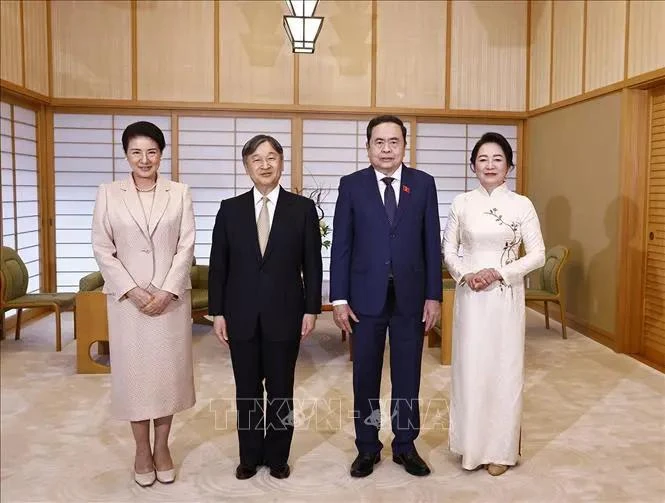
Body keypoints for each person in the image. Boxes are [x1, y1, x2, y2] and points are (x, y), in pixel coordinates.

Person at [329, 115, 442, 478]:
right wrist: (339, 298)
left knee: (408, 374)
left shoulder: (423, 185)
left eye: (394, 141)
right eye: (379, 142)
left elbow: (430, 244)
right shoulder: (352, 185)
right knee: (365, 375)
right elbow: (341, 246)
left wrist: (434, 295)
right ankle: (368, 446)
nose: (387, 149)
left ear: (404, 145)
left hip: (411, 297)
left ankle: (405, 445)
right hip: (365, 299)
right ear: (368, 147)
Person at [208, 134, 322, 480]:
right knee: (246, 390)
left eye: (271, 157)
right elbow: (218, 265)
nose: (265, 165)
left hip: (285, 313)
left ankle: (278, 457)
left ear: (282, 163)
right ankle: (249, 456)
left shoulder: (301, 209)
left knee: (281, 389)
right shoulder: (230, 209)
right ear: (246, 167)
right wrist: (218, 312)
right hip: (240, 315)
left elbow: (313, 264)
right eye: (256, 159)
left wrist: (311, 309)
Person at [91, 121, 196, 487]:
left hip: (169, 301)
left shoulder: (179, 192)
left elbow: (186, 246)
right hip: (128, 303)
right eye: (136, 151)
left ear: (161, 154)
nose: (144, 159)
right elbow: (102, 248)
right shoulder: (108, 193)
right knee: (135, 379)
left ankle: (163, 447)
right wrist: (133, 291)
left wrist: (167, 290)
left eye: (151, 151)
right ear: (126, 155)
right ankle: (141, 450)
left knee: (167, 378)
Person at [442, 132, 545, 476]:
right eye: (483, 159)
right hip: (470, 296)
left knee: (503, 368)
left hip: (504, 296)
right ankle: (470, 447)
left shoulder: (522, 205)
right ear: (473, 165)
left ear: (509, 167)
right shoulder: (461, 203)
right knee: (470, 368)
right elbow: (449, 250)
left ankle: (500, 450)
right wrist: (466, 274)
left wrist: (498, 272)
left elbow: (538, 254)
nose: (490, 165)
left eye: (497, 159)